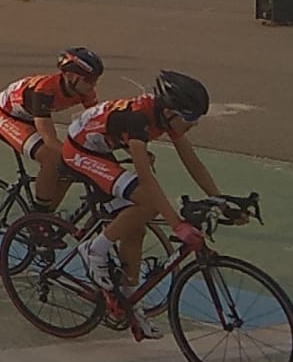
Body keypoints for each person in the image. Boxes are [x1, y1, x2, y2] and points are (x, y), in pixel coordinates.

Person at [62, 70, 222, 340]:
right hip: (80, 151)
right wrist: (177, 225)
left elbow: (192, 161)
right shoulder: (138, 120)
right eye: (191, 118)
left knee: (136, 228)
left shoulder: (165, 116)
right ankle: (93, 249)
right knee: (146, 203)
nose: (194, 125)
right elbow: (146, 181)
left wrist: (220, 198)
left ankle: (129, 301)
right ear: (170, 111)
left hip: (105, 145)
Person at [0, 48, 104, 213]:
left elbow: (100, 123)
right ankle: (38, 217)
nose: (93, 85)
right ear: (71, 76)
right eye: (89, 80)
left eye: (95, 80)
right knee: (53, 157)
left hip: (30, 116)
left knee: (69, 171)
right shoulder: (43, 91)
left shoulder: (85, 91)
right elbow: (50, 140)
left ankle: (47, 217)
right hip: (6, 117)